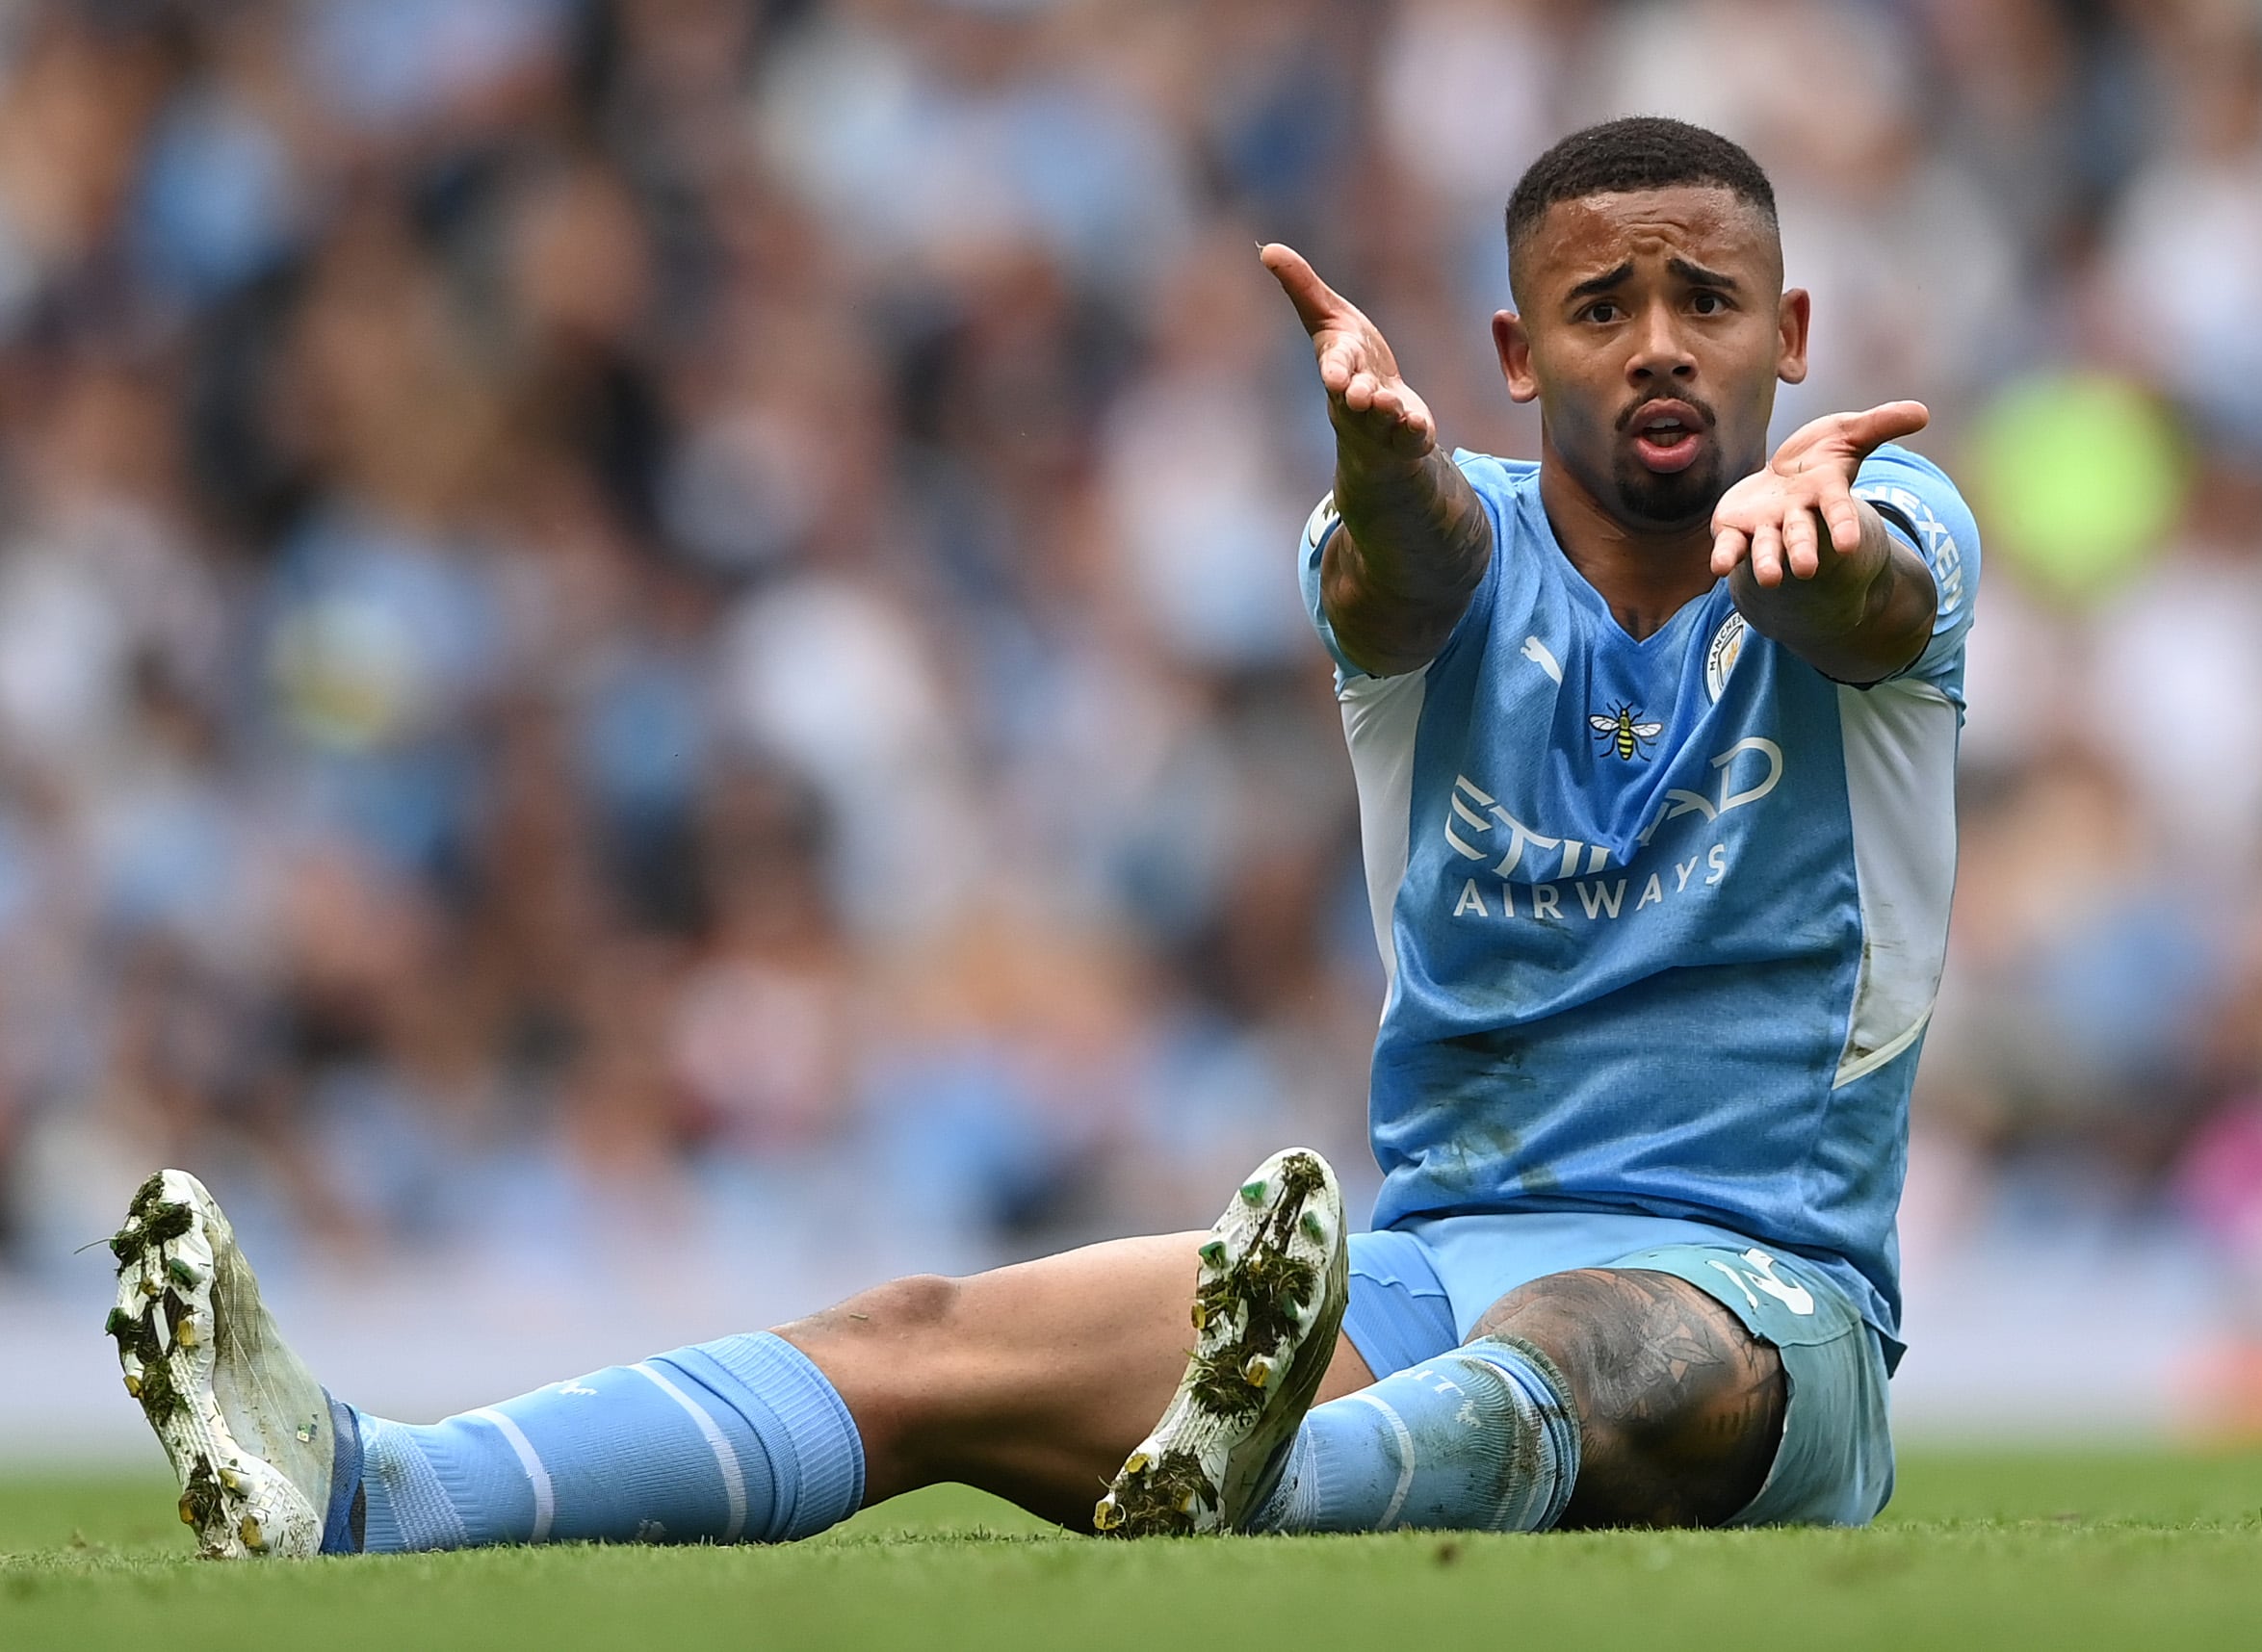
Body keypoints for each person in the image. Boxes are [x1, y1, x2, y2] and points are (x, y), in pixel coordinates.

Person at [109, 116, 1977, 1557]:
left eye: (1707, 304)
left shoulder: (1890, 519)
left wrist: (1817, 542)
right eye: (1602, 307)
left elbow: (1866, 610)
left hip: (1759, 1301)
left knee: (1587, 1344)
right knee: (922, 1335)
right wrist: (1385, 471)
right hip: (1425, 1270)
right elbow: (1406, 578)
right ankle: (367, 1491)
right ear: (1513, 347)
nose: (1659, 346)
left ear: (1790, 333)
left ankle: (1269, 1474)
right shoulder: (1435, 529)